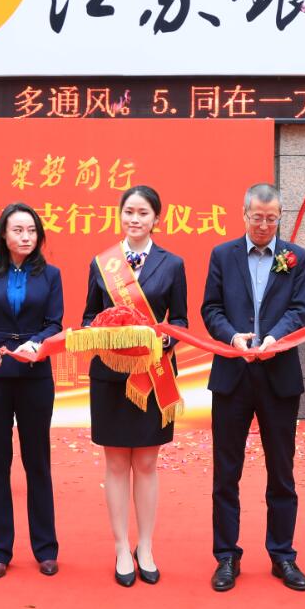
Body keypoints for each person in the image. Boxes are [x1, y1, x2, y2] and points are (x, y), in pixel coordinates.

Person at [202, 183, 305, 592]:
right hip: (232, 374)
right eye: (257, 217)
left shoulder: (297, 258)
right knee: (226, 472)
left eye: (271, 218)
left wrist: (274, 339)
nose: (264, 225)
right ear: (244, 214)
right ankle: (226, 556)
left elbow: (300, 309)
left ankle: (283, 554)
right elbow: (210, 308)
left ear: (280, 217)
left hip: (278, 374)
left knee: (281, 471)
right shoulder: (223, 255)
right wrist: (232, 336)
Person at [84, 185, 189, 587]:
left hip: (153, 372)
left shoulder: (172, 263)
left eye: (143, 213)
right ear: (120, 215)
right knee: (115, 463)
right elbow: (89, 316)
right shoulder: (102, 263)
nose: (135, 219)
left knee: (146, 463)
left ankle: (145, 546)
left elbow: (180, 321)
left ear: (156, 219)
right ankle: (120, 546)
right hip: (111, 374)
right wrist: (105, 331)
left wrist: (161, 340)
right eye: (129, 211)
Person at [0, 203, 64, 581]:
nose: (25, 237)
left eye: (31, 231)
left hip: (35, 375)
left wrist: (36, 343)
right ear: (3, 235)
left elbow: (54, 322)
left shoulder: (51, 275)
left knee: (37, 461)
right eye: (18, 230)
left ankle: (46, 548)